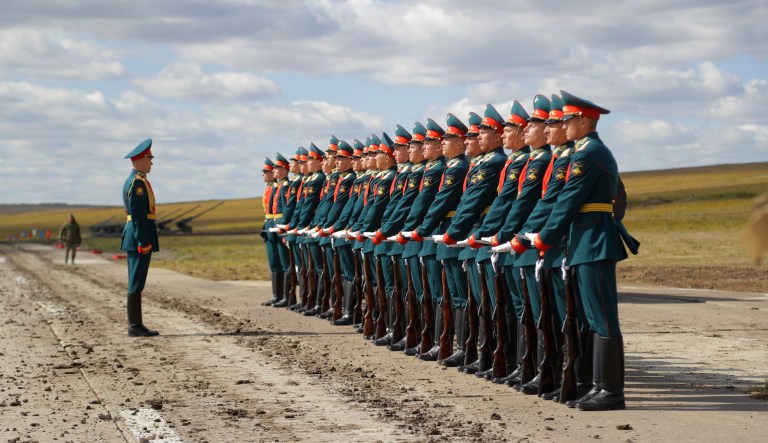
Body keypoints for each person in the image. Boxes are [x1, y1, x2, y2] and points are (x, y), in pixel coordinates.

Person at [527, 90, 637, 410]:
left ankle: (611, 390)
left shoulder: (590, 153)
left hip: (594, 240)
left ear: (585, 121)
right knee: (590, 317)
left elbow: (568, 199)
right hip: (583, 239)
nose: (563, 125)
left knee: (603, 317)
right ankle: (594, 384)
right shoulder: (583, 151)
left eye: (568, 120)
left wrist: (545, 236)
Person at [121, 138, 159, 337]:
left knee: (137, 281)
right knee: (136, 282)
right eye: (149, 159)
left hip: (137, 235)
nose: (151, 162)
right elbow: (137, 216)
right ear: (141, 160)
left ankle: (136, 324)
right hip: (138, 237)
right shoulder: (137, 183)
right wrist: (143, 241)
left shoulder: (138, 180)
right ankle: (134, 325)